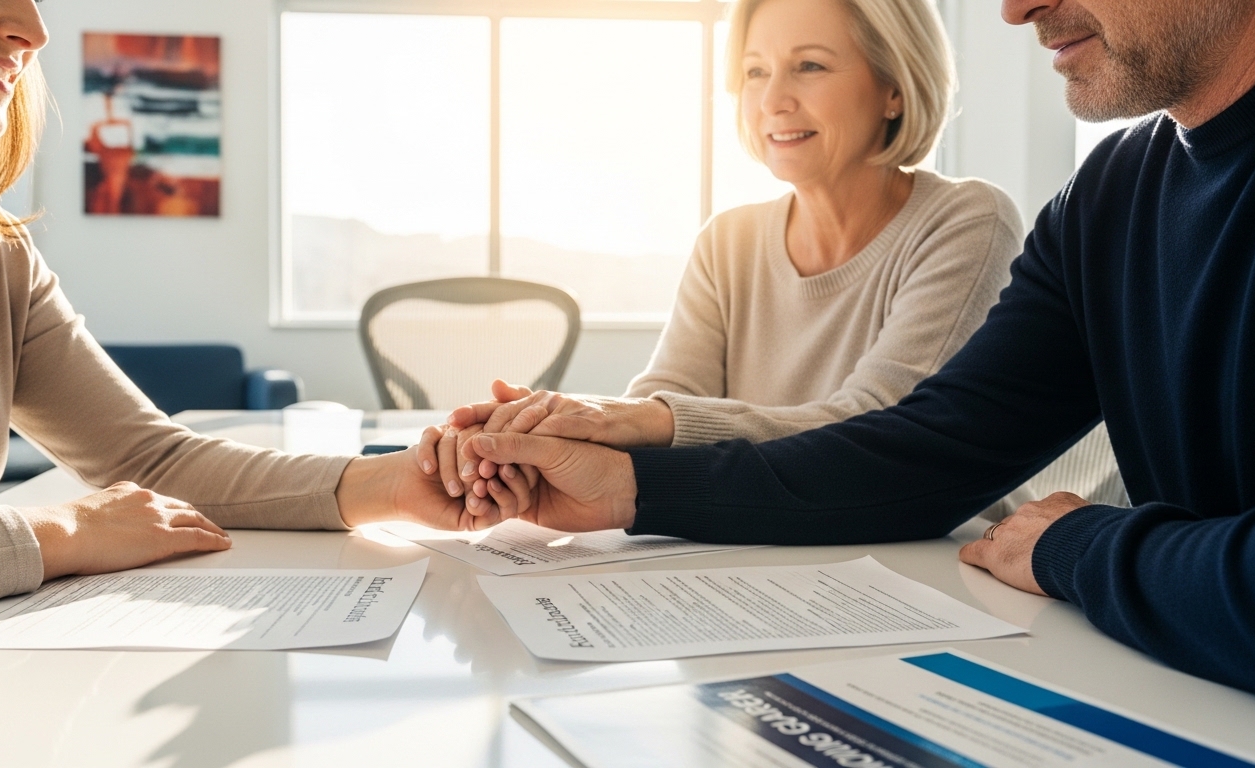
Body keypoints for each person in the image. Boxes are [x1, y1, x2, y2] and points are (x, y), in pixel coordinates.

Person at [452, 0, 1255, 706]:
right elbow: (926, 451)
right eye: (754, 70)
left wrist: (1084, 548)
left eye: (810, 66)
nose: (1013, 9)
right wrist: (630, 489)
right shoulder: (1112, 194)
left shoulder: (980, 215)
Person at [0, 0, 470, 628]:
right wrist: (60, 532)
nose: (33, 30)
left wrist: (394, 485)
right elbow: (83, 516)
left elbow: (149, 460)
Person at [424, 0, 1125, 521]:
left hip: (927, 556)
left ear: (895, 87)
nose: (773, 99)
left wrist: (641, 421)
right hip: (753, 546)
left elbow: (882, 427)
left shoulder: (965, 218)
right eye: (755, 72)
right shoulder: (728, 240)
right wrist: (528, 447)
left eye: (810, 66)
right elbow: (660, 404)